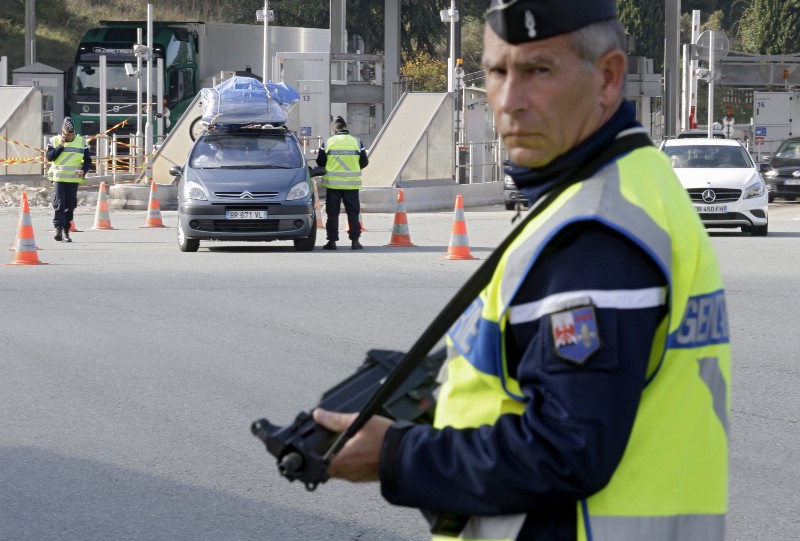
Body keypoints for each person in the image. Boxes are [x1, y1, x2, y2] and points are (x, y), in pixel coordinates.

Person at [312, 1, 731, 540]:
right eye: (497, 71)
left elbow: (565, 450)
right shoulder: (628, 186)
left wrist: (395, 455)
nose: (509, 101)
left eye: (538, 71)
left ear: (608, 79)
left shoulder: (593, 232)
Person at [316, 116, 369, 250]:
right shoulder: (357, 142)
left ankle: (332, 242)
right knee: (353, 213)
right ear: (345, 127)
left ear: (334, 128)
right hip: (351, 185)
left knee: (332, 213)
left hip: (333, 185)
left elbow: (320, 162)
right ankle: (355, 241)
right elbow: (364, 162)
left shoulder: (328, 142)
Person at [46, 117, 92, 242]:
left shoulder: (81, 142)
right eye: (67, 134)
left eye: (72, 134)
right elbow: (50, 157)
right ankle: (58, 229)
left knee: (70, 205)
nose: (70, 137)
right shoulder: (54, 141)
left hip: (73, 179)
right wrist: (61, 146)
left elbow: (88, 160)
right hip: (59, 178)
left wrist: (84, 170)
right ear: (63, 132)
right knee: (59, 203)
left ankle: (66, 231)